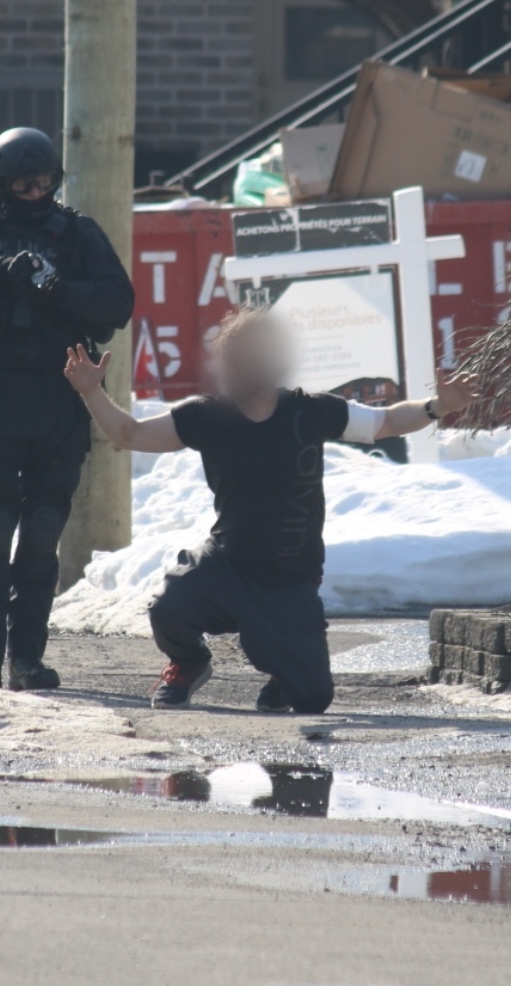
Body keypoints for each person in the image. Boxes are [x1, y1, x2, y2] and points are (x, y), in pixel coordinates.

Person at [64, 306, 476, 714]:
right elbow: (130, 434)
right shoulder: (207, 416)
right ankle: (189, 663)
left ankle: (283, 669)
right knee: (168, 607)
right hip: (227, 564)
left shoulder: (311, 410)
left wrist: (436, 407)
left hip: (289, 579)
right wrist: (90, 391)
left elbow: (385, 421)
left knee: (312, 699)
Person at [0, 127, 134, 691]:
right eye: (23, 184)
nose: (34, 193)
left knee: (43, 533)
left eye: (43, 183)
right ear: (0, 182)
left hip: (56, 399)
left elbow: (118, 301)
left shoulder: (76, 232)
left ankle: (27, 659)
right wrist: (5, 271)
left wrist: (58, 289)